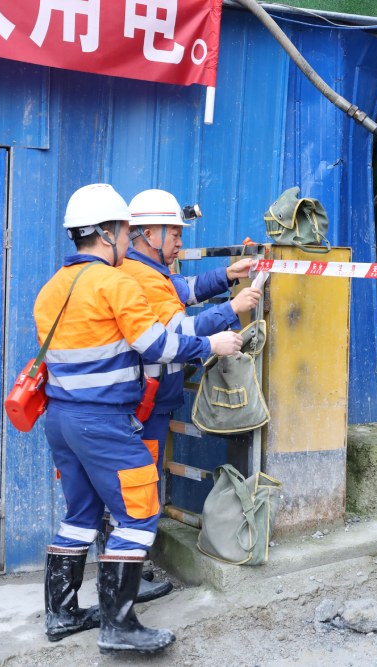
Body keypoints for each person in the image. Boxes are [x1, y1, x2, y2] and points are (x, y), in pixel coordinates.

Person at [33, 183, 242, 654]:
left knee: (81, 513)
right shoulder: (115, 283)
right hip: (103, 422)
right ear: (106, 233)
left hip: (61, 419)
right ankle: (119, 626)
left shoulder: (52, 289)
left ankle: (61, 613)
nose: (129, 242)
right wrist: (211, 343)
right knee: (140, 511)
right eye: (126, 232)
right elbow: (158, 346)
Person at [116, 188, 261, 600]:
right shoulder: (141, 276)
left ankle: (129, 572)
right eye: (174, 233)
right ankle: (126, 582)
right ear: (148, 233)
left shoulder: (150, 269)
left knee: (138, 484)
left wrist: (228, 275)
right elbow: (180, 331)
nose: (180, 241)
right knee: (139, 487)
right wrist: (233, 309)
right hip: (144, 404)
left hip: (151, 401)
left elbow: (185, 289)